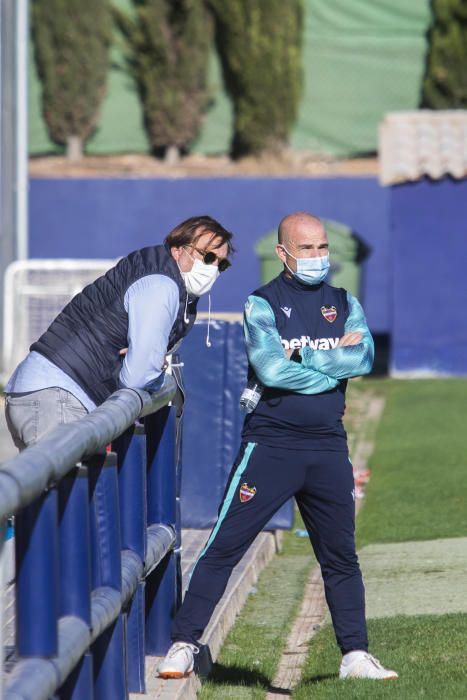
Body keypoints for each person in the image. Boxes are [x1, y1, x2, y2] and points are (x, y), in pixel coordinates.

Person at [158, 212, 398, 681]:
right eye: (306, 249)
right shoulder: (262, 304)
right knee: (224, 547)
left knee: (341, 556)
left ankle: (355, 655)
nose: (317, 257)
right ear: (284, 254)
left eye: (322, 247)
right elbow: (270, 370)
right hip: (270, 445)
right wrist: (332, 364)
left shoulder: (345, 301)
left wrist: (303, 352)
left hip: (328, 446)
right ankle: (184, 644)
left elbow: (364, 356)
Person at [4, 215, 233, 450]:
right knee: (71, 487)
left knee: (63, 487)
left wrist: (144, 359)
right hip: (58, 396)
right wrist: (153, 369)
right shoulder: (161, 285)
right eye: (208, 256)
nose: (213, 268)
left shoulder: (167, 281)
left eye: (221, 264)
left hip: (45, 393)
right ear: (177, 251)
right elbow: (138, 376)